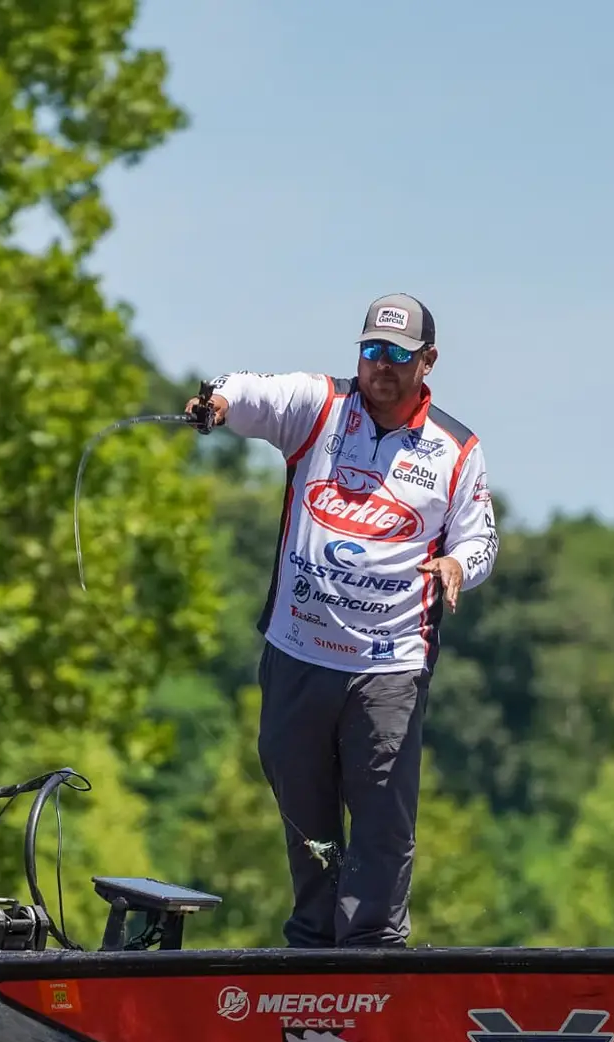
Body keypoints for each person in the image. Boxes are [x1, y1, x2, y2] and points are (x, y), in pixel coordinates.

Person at [187, 293, 498, 948]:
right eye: (370, 352)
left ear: (428, 361)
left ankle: (373, 960)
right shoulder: (321, 408)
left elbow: (481, 540)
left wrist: (457, 569)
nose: (380, 367)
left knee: (382, 827)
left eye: (397, 356)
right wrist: (216, 401)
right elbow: (250, 391)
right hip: (299, 652)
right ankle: (311, 950)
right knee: (308, 821)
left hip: (388, 668)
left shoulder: (457, 449)